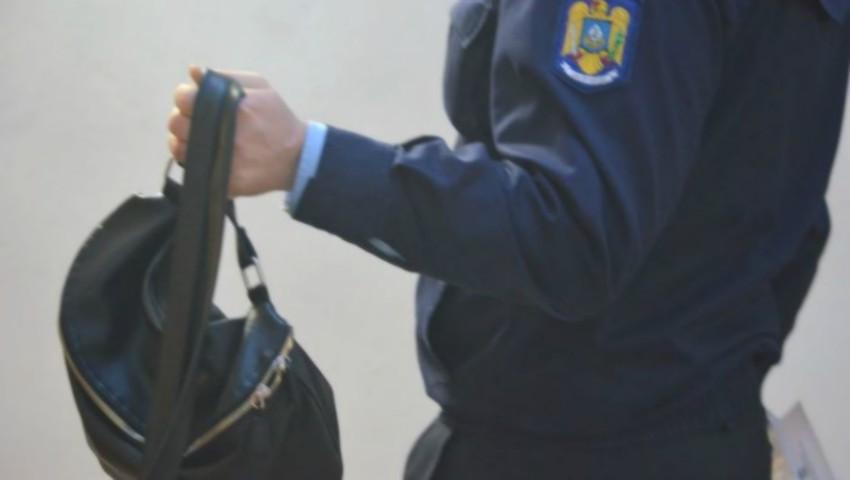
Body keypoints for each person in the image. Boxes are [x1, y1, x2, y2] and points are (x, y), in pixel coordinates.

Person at [167, 0, 850, 478]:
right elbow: (787, 216)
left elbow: (569, 233)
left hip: (568, 449)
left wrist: (304, 159)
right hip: (703, 432)